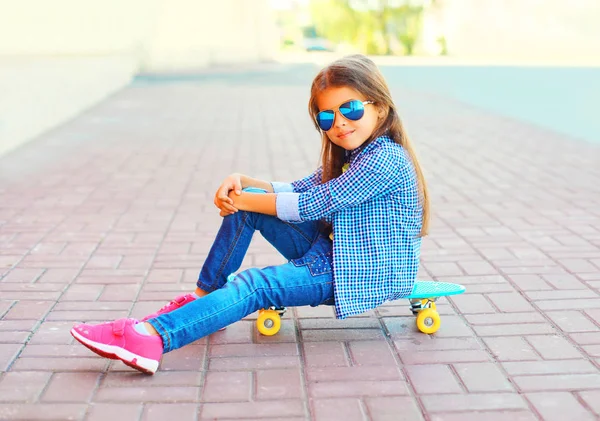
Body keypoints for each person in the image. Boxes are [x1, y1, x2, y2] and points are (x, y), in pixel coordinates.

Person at [70, 54, 430, 374]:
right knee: (252, 204)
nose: (339, 123)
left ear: (380, 108)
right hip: (339, 254)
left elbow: (315, 204)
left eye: (350, 109)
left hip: (359, 271)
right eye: (326, 116)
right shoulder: (357, 154)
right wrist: (245, 184)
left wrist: (245, 199)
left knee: (255, 285)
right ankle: (204, 297)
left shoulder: (386, 159)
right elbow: (300, 188)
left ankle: (150, 338)